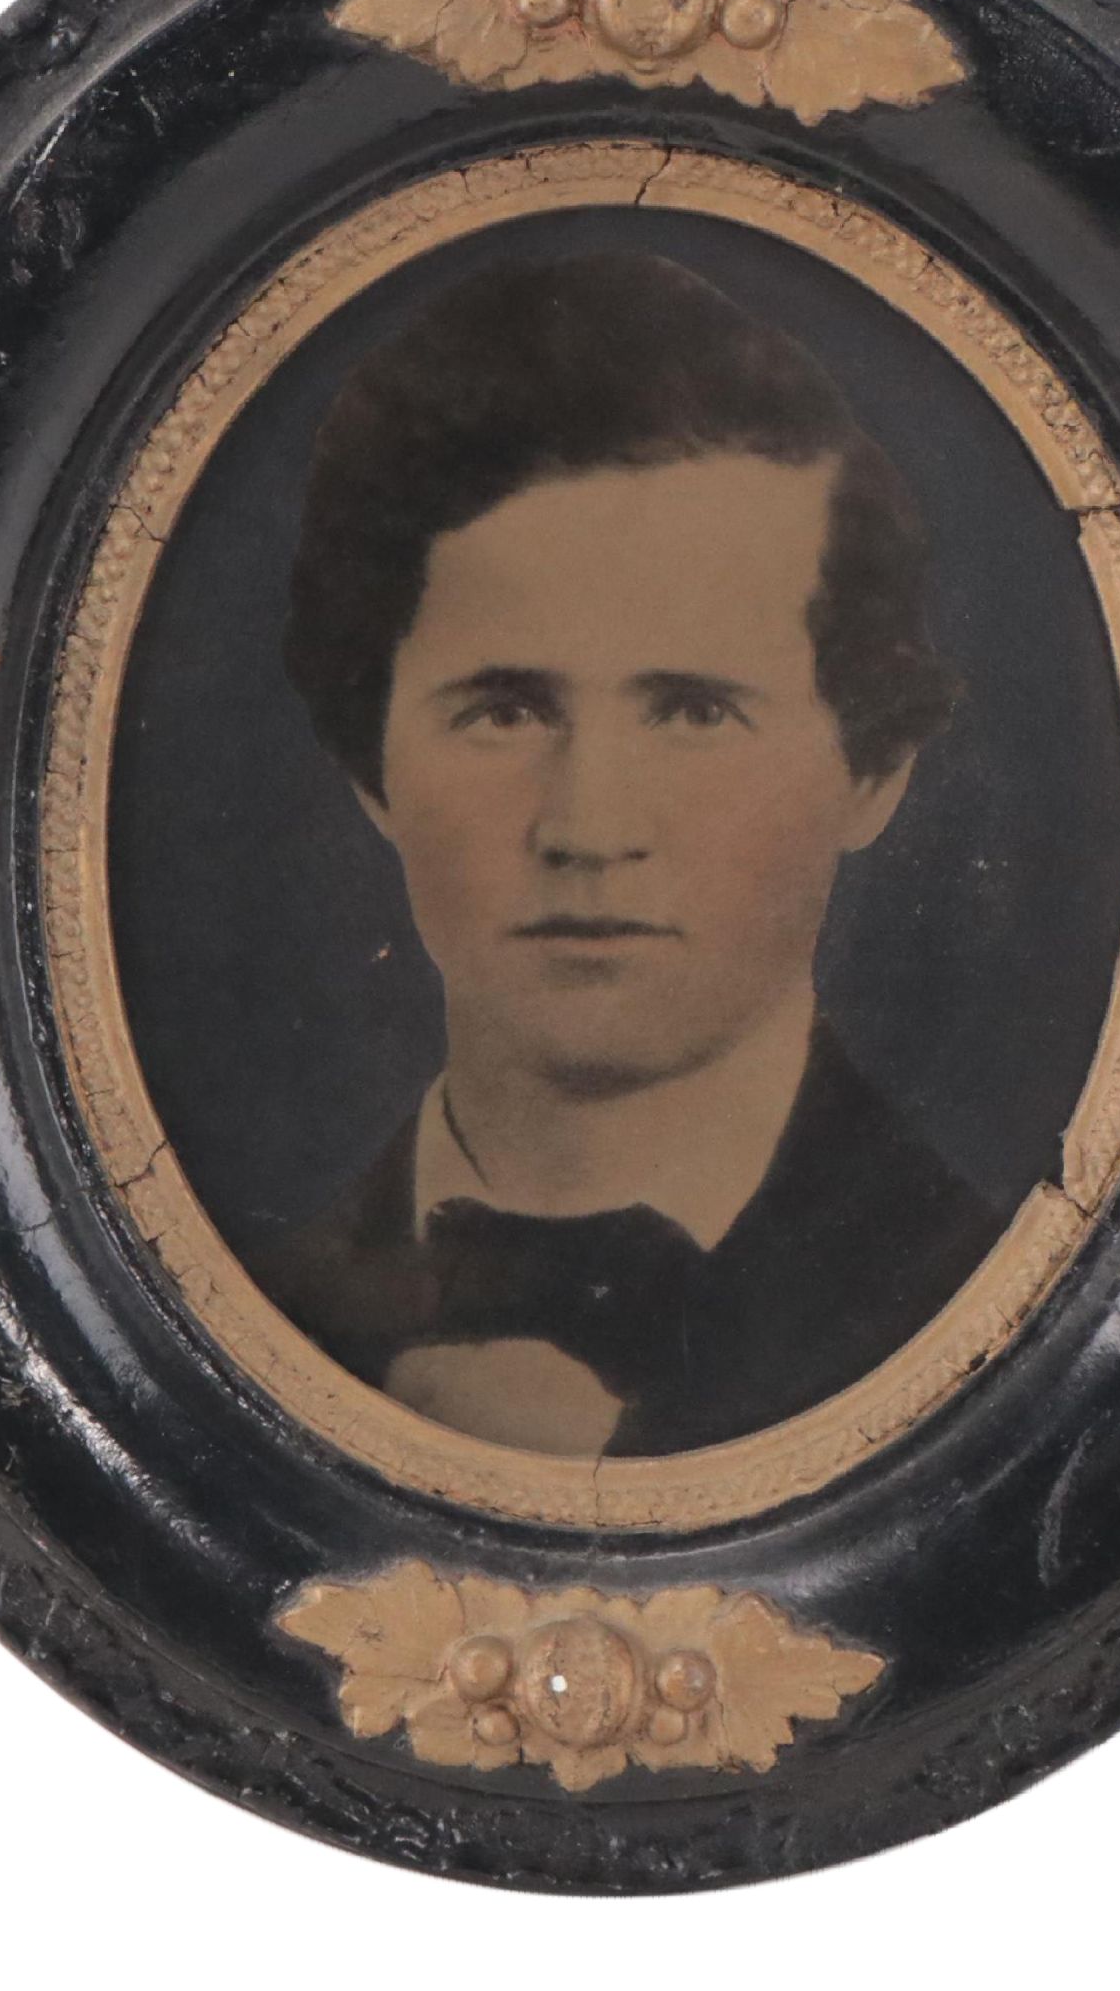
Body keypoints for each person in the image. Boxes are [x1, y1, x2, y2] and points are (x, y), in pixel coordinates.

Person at [248, 247, 998, 1458]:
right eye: (504, 712)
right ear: (370, 767)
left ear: (871, 770)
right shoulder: (237, 1315)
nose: (587, 830)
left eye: (695, 712)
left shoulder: (996, 1301)